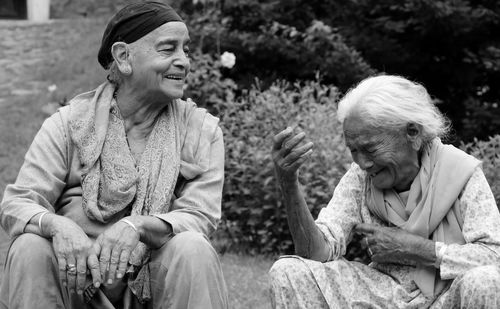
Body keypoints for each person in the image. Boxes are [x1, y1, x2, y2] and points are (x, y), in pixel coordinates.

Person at [0, 2, 228, 308]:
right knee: (30, 246)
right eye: (168, 49)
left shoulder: (201, 131)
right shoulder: (70, 124)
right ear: (123, 57)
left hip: (152, 284)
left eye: (185, 50)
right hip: (76, 279)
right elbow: (17, 203)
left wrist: (138, 226)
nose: (184, 61)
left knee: (193, 248)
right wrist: (58, 226)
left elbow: (199, 216)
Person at [269, 75, 500, 308]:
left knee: (486, 280)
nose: (362, 162)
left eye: (370, 149)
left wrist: (417, 249)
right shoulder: (360, 177)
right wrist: (289, 185)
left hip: (447, 297)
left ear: (413, 133)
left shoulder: (460, 172)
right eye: (354, 150)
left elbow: (494, 256)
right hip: (382, 294)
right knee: (290, 270)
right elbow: (316, 253)